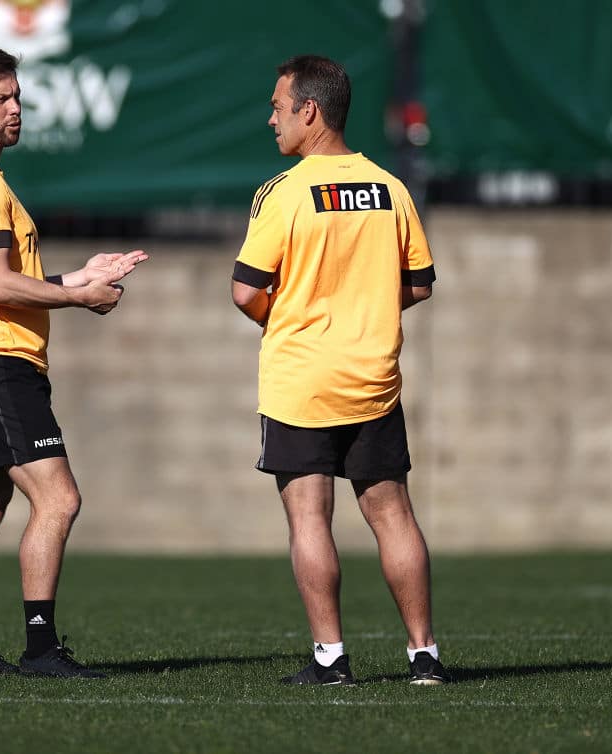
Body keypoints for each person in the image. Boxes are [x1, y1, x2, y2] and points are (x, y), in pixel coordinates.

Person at [0, 43, 147, 677]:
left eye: (18, 95)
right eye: (1, 98)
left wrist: (77, 274)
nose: (16, 108)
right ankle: (41, 648)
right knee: (59, 499)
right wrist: (79, 296)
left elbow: (0, 278)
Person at [230, 55, 447, 686]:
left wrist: (292, 313)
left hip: (301, 380)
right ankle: (423, 654)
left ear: (309, 111)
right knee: (393, 514)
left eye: (278, 106)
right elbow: (421, 284)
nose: (270, 118)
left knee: (308, 517)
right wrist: (367, 310)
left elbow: (246, 293)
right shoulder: (390, 187)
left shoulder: (283, 192)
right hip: (373, 378)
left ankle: (332, 658)